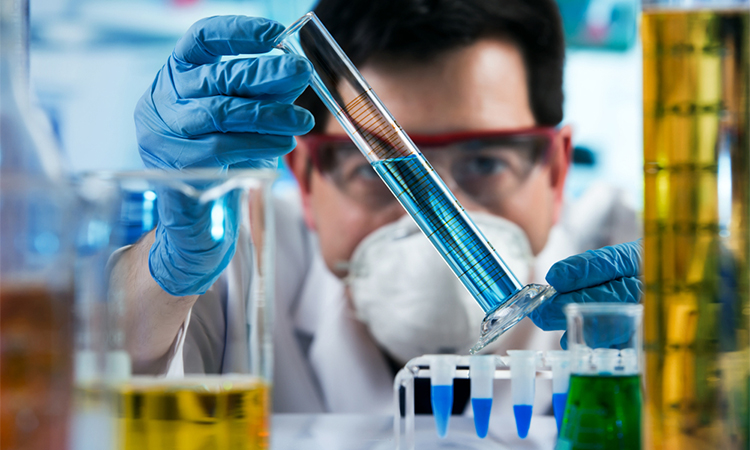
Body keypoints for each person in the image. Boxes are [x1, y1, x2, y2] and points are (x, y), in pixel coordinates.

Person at [113, 0, 643, 414]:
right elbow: (85, 388)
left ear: (555, 171)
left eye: (485, 161)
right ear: (304, 181)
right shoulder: (235, 268)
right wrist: (163, 277)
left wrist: (717, 338)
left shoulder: (648, 269)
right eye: (373, 168)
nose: (438, 210)